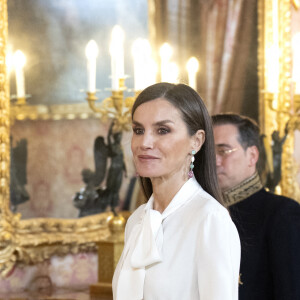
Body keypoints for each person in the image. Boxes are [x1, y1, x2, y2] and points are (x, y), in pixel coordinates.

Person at [112, 83, 241, 300]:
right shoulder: (137, 221)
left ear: (197, 141)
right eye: (138, 130)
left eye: (162, 130)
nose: (145, 142)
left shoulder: (210, 219)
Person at [212, 113, 300, 300]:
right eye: (206, 153)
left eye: (222, 151)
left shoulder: (281, 213)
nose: (213, 161)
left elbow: (291, 292)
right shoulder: (205, 213)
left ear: (252, 155)